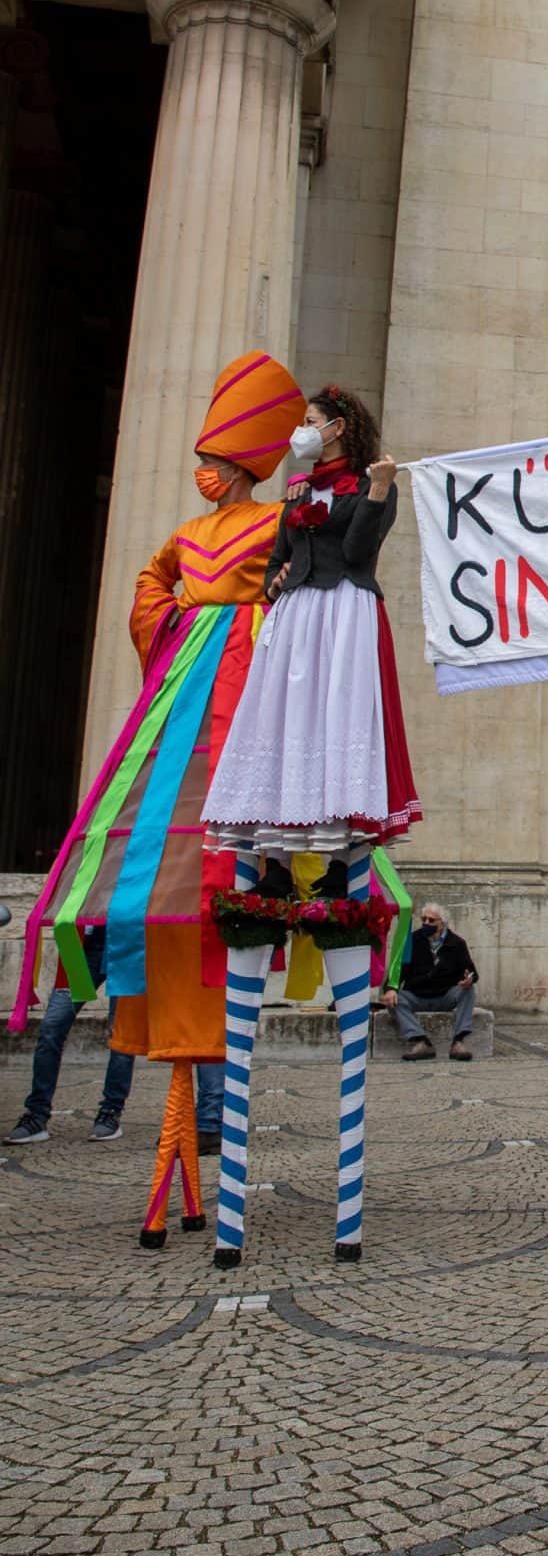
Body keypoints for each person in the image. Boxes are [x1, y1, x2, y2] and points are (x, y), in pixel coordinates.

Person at [5, 350, 305, 1171]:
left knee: (226, 820)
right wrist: (173, 619)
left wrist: (250, 618)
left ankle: (216, 1086)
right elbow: (151, 583)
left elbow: (295, 581)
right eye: (202, 460)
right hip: (188, 677)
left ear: (238, 466)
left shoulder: (274, 521)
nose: (203, 472)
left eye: (212, 460)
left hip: (237, 682)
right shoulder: (185, 534)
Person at [200, 383, 421, 1267]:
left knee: (334, 726)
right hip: (297, 620)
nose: (308, 429)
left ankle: (332, 852)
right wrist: (276, 580)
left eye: (318, 420)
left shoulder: (370, 482)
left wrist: (377, 492)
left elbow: (360, 554)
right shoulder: (296, 487)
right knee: (281, 720)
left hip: (345, 614)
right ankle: (270, 842)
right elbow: (280, 558)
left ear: (341, 427)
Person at [7, 924, 134, 1142]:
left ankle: (111, 1111)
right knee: (51, 1027)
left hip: (126, 945)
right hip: (83, 947)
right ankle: (37, 1115)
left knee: (121, 1033)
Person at [385, 905, 479, 1059]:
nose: (426, 923)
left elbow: (471, 971)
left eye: (431, 920)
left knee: (468, 991)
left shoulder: (456, 943)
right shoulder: (413, 940)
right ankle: (421, 1041)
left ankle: (458, 1042)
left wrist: (469, 979)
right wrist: (390, 988)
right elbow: (398, 970)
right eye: (424, 919)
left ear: (442, 923)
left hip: (445, 996)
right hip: (416, 995)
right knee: (394, 998)